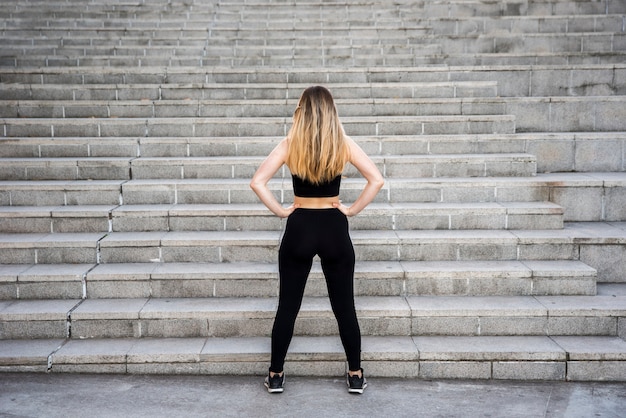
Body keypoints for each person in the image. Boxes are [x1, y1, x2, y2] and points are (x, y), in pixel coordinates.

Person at [250, 86, 384, 394]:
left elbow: (257, 182)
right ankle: (355, 375)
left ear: (301, 111)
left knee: (287, 307)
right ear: (332, 112)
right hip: (334, 227)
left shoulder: (290, 143)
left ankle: (275, 375)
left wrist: (282, 212)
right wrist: (350, 209)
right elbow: (376, 179)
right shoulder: (343, 144)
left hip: (299, 228)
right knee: (345, 308)